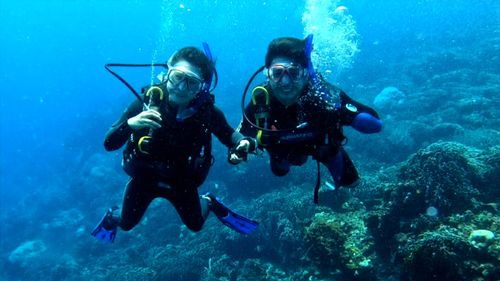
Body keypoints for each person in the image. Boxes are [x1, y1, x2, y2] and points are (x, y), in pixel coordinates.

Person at [91, 46, 258, 243]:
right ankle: (112, 216)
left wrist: (245, 142)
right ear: (167, 73)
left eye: (191, 83)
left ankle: (209, 202)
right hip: (144, 177)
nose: (181, 87)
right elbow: (109, 143)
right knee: (126, 223)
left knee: (196, 225)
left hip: (181, 180)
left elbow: (229, 134)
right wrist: (130, 124)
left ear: (202, 87)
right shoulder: (146, 103)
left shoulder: (207, 114)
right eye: (177, 77)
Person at [237, 36, 382, 203]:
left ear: (306, 73)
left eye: (293, 73)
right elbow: (238, 135)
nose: (285, 82)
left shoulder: (322, 96)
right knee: (280, 171)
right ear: (267, 74)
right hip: (282, 151)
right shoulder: (262, 100)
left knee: (352, 183)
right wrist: (242, 145)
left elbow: (376, 125)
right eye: (277, 73)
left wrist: (340, 110)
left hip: (323, 149)